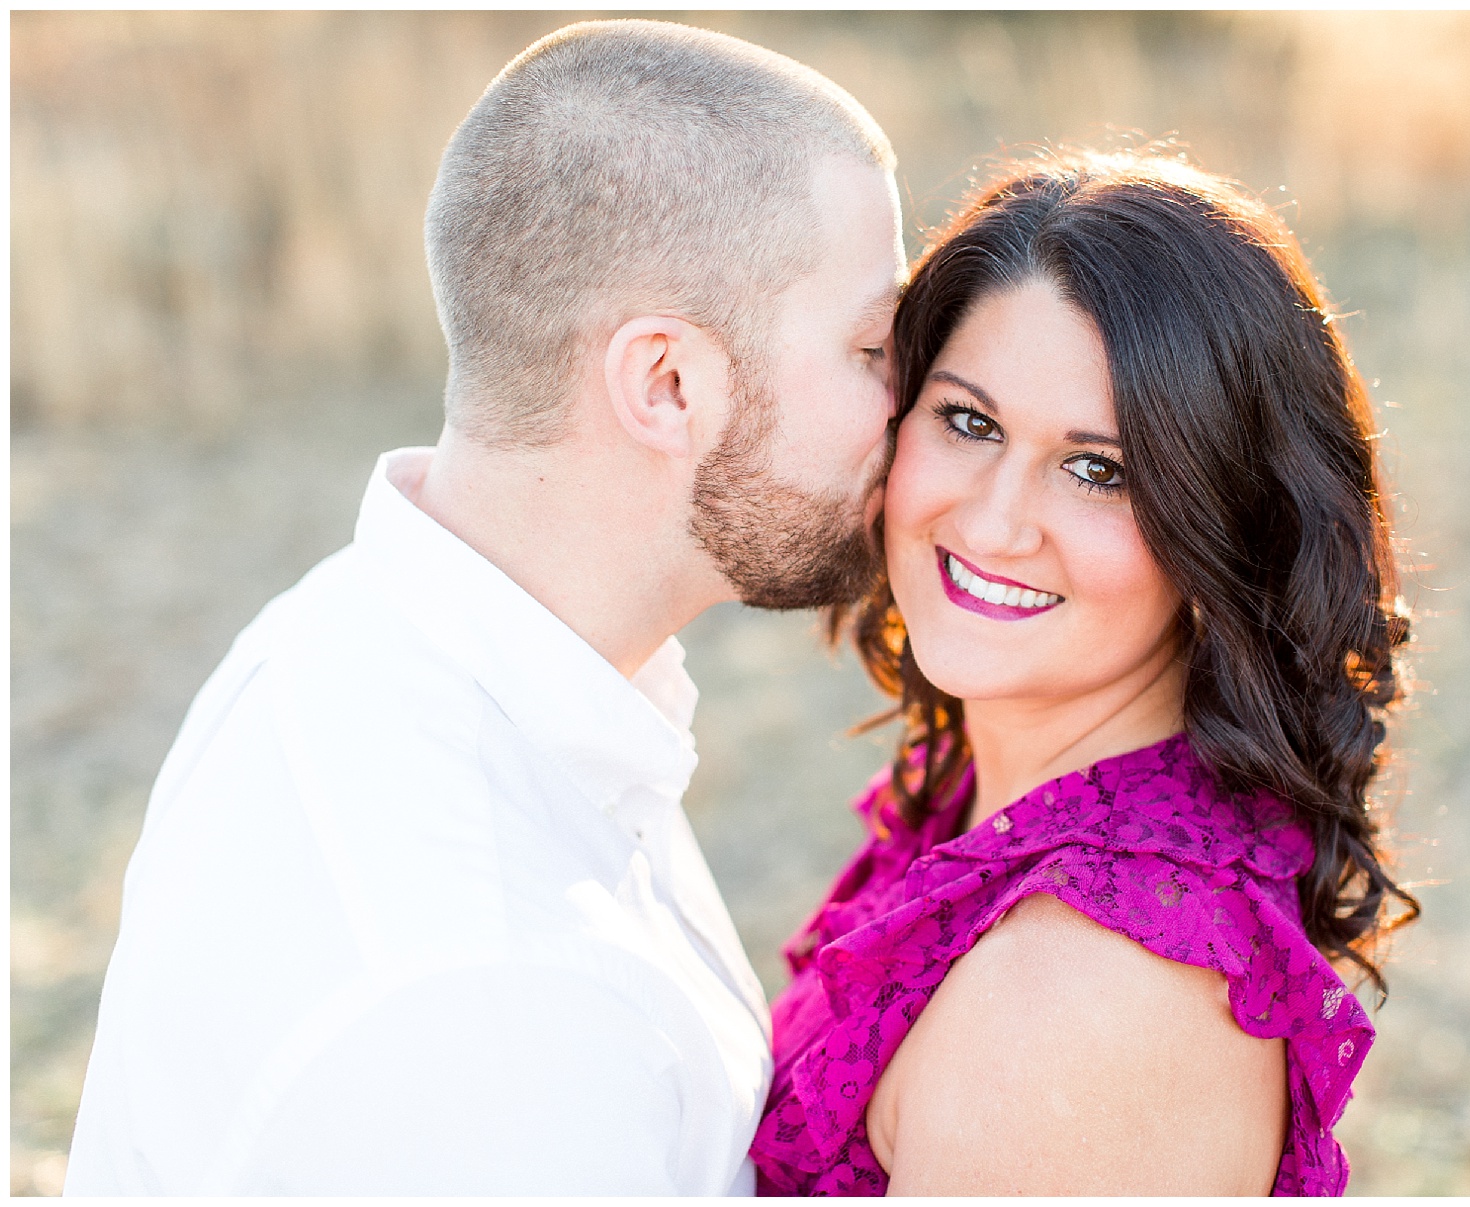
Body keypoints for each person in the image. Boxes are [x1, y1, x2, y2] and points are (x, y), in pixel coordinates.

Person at [65, 20, 904, 1195]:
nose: (913, 410)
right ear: (667, 383)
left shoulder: (361, 635)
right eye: (874, 346)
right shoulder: (488, 1004)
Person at [751, 150, 1420, 1196]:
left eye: (1098, 469)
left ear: (1223, 528)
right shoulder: (1017, 803)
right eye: (968, 420)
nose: (994, 520)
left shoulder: (1085, 991)